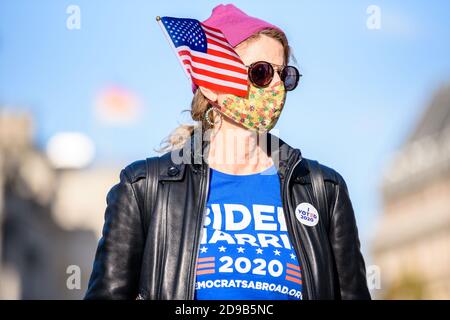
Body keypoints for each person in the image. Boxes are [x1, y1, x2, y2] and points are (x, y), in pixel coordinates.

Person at [84, 3, 371, 300]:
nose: (276, 86)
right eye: (260, 72)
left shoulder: (323, 190)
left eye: (284, 75)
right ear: (211, 84)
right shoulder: (144, 188)